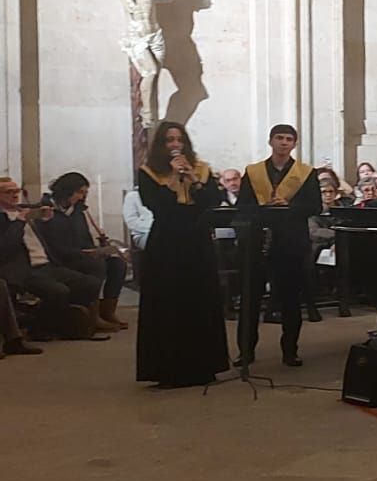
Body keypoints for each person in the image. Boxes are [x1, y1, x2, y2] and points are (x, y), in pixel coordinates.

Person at [132, 122, 231, 389]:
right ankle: (169, 369)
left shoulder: (201, 169)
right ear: (161, 146)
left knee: (200, 299)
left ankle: (204, 366)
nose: (175, 144)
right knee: (168, 303)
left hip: (196, 241)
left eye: (179, 139)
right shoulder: (149, 173)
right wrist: (175, 179)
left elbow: (212, 201)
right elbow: (159, 207)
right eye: (169, 140)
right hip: (166, 243)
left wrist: (194, 179)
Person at [234, 124, 322, 369]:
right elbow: (243, 205)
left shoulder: (306, 173)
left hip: (291, 242)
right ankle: (246, 352)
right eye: (279, 138)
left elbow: (314, 206)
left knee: (291, 299)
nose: (284, 143)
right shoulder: (253, 172)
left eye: (289, 139)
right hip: (257, 241)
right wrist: (265, 209)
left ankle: (290, 351)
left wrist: (289, 207)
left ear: (294, 144)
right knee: (250, 299)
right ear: (270, 141)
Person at [0, 177, 108, 331]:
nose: (15, 195)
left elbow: (47, 239)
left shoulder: (26, 211)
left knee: (90, 283)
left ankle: (69, 319)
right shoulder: (6, 217)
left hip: (47, 263)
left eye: (16, 191)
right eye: (8, 192)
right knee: (58, 291)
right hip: (24, 268)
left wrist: (44, 221)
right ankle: (38, 325)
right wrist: (19, 222)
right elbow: (6, 246)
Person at [39, 173, 128, 331]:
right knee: (96, 265)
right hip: (60, 258)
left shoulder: (78, 212)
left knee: (117, 264)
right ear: (67, 190)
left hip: (81, 254)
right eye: (79, 192)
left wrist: (99, 248)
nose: (82, 197)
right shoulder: (46, 211)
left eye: (84, 193)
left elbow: (84, 238)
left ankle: (108, 311)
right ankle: (93, 315)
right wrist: (83, 253)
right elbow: (50, 244)